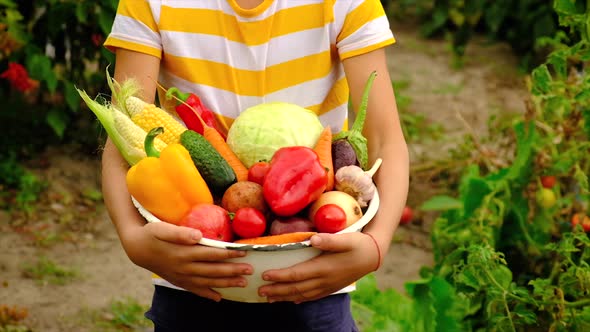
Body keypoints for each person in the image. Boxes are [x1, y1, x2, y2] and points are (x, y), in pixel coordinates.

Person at [101, 0, 409, 331]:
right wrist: (133, 238)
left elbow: (385, 139)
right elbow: (123, 135)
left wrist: (376, 244)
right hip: (195, 271)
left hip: (314, 271)